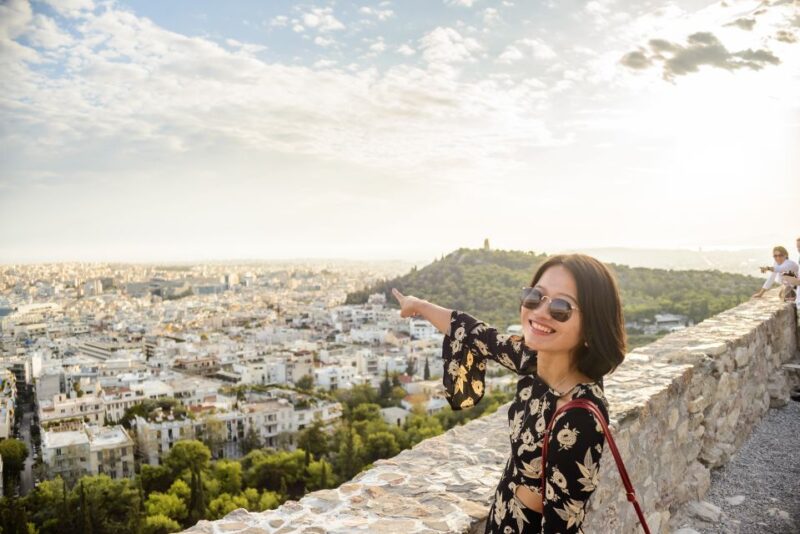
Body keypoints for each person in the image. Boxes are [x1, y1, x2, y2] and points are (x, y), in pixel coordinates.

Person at [392, 254, 626, 533]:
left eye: (561, 307)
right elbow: (476, 334)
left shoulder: (579, 418)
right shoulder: (533, 361)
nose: (540, 312)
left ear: (592, 324)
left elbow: (561, 526)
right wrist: (419, 305)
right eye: (535, 297)